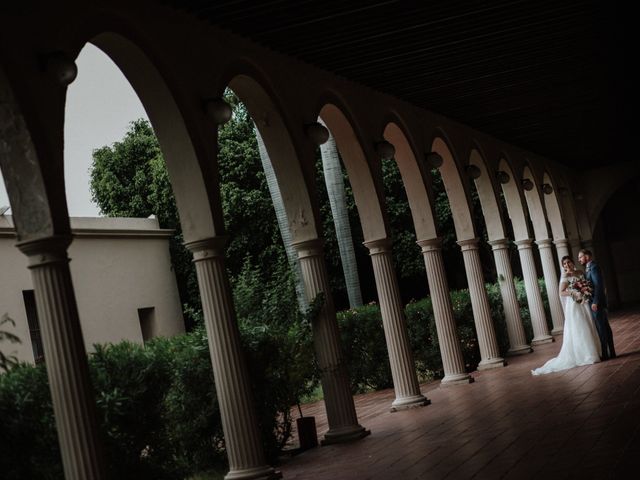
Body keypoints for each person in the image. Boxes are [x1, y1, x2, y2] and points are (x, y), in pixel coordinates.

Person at [532, 256, 601, 375]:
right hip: (574, 305)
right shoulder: (565, 276)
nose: (567, 265)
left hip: (583, 303)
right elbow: (561, 292)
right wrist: (574, 292)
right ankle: (585, 356)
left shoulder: (579, 272)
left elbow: (586, 284)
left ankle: (594, 352)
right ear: (563, 266)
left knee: (588, 324)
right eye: (564, 264)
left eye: (568, 262)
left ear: (572, 263)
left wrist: (585, 291)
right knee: (580, 327)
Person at [578, 249, 616, 360]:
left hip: (597, 303)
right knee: (605, 327)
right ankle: (611, 352)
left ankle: (605, 354)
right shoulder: (589, 267)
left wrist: (595, 302)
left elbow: (598, 285)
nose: (579, 259)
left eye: (580, 257)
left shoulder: (593, 267)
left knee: (601, 328)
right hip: (596, 302)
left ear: (587, 256)